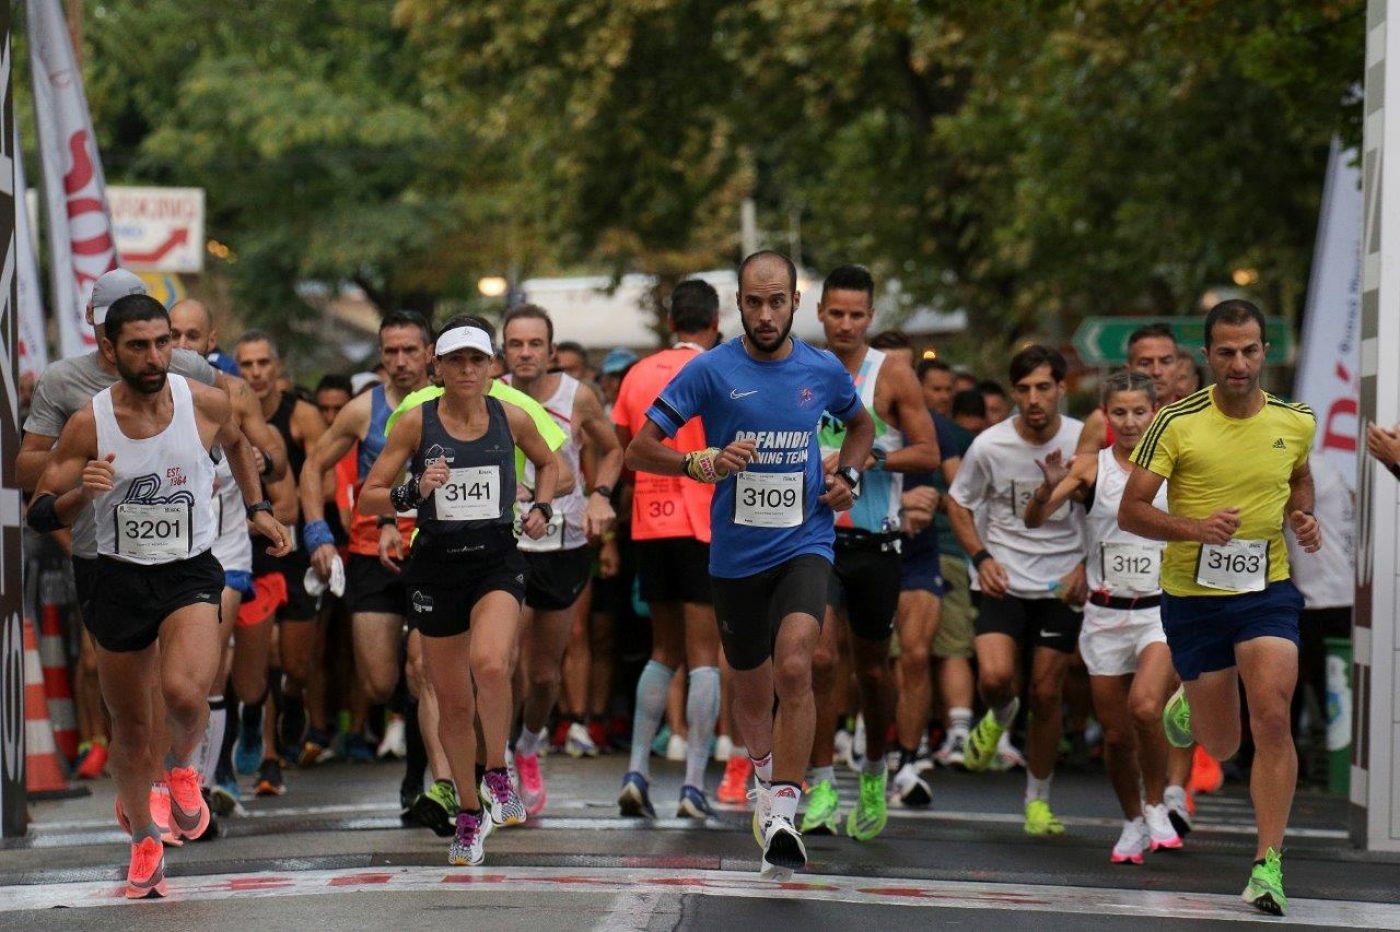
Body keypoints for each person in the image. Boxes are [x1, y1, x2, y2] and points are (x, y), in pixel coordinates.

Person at [28, 295, 289, 898]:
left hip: (188, 570)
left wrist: (257, 508)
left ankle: (181, 768)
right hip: (118, 578)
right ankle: (145, 839)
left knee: (184, 690)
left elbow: (237, 445)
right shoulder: (89, 423)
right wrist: (81, 494)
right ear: (110, 349)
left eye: (162, 342)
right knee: (130, 725)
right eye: (138, 346)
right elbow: (41, 510)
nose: (153, 357)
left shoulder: (204, 402)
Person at [626, 250, 874, 881]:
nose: (766, 315)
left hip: (805, 542)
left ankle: (784, 812)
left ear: (795, 303)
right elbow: (639, 450)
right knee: (753, 690)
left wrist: (847, 476)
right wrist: (700, 462)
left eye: (777, 302)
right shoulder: (711, 370)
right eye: (755, 302)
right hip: (736, 556)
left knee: (797, 663)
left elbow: (861, 426)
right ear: (738, 304)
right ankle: (764, 777)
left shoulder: (822, 369)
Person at [1120, 300, 1320, 916]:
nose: (1240, 363)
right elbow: (1132, 511)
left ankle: (1268, 864)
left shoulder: (1296, 420)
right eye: (1227, 352)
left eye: (1250, 350)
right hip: (1194, 599)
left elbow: (1299, 479)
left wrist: (1302, 517)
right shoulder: (1176, 422)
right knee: (1224, 744)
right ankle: (1191, 701)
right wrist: (1195, 528)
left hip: (1266, 591)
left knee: (1272, 715)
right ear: (1207, 356)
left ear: (1265, 352)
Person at [360, 323, 559, 867]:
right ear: (438, 366)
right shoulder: (415, 423)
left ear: (492, 365)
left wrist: (541, 508)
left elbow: (551, 464)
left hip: (496, 560)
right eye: (456, 360)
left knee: (491, 663)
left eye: (477, 359)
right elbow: (369, 496)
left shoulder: (512, 417)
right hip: (436, 567)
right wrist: (414, 490)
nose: (467, 370)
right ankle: (469, 813)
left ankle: (496, 770)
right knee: (451, 699)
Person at [298, 312, 456, 829]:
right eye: (391, 351)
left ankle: (428, 781)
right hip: (371, 554)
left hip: (433, 552)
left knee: (422, 668)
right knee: (380, 682)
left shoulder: (449, 402)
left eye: (410, 350)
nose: (401, 361)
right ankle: (414, 743)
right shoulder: (363, 409)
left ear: (429, 352)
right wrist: (318, 534)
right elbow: (314, 467)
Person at [1024, 371, 1182, 863]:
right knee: (1115, 734)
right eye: (1120, 413)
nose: (1130, 422)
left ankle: (1156, 803)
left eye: (1139, 412)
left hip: (1158, 613)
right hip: (1104, 616)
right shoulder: (1092, 468)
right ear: (1105, 416)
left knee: (1146, 708)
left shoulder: (1174, 466)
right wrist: (1047, 488)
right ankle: (1133, 820)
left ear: (1154, 414)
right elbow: (1034, 519)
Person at [806, 266, 938, 840]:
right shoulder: (801, 367)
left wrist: (867, 457)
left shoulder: (893, 373)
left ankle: (874, 771)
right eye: (836, 313)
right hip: (814, 535)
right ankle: (820, 783)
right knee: (818, 659)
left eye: (856, 315)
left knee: (873, 671)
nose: (845, 324)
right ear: (820, 313)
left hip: (876, 539)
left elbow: (928, 452)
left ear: (871, 316)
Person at [946, 344, 1086, 837]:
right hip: (1003, 578)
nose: (1034, 399)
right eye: (1024, 389)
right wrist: (981, 558)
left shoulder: (1082, 441)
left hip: (1060, 583)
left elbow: (1104, 508)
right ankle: (999, 715)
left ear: (1061, 388)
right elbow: (958, 503)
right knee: (995, 678)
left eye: (1043, 388)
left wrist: (1086, 566)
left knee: (1046, 693)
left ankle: (1037, 800)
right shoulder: (990, 445)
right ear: (1012, 393)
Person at [500, 304, 621, 817]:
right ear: (504, 351)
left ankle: (528, 747)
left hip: (563, 543)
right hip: (507, 545)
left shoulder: (579, 396)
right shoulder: (490, 395)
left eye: (535, 344)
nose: (526, 353)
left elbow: (613, 450)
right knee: (503, 660)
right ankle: (499, 761)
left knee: (545, 674)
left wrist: (601, 495)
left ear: (551, 351)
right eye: (516, 344)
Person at [611, 279, 725, 819]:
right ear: (715, 322)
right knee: (704, 656)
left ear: (671, 321)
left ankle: (636, 770)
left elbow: (625, 452)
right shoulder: (719, 369)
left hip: (650, 521)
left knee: (663, 650)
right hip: (706, 523)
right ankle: (693, 785)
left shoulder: (636, 374)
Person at [235, 330, 329, 796]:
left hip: (293, 546)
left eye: (262, 363)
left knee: (296, 663)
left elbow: (319, 481)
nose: (255, 373)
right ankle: (269, 757)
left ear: (277, 367)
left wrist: (319, 533)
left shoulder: (299, 417)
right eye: (246, 364)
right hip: (247, 554)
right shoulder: (223, 417)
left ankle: (295, 699)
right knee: (266, 655)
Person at [1075, 323, 1182, 456]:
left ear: (1179, 367)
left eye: (1165, 361)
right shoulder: (1102, 421)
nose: (1156, 371)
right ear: (1128, 369)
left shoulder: (1196, 416)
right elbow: (1081, 467)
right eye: (1145, 363)